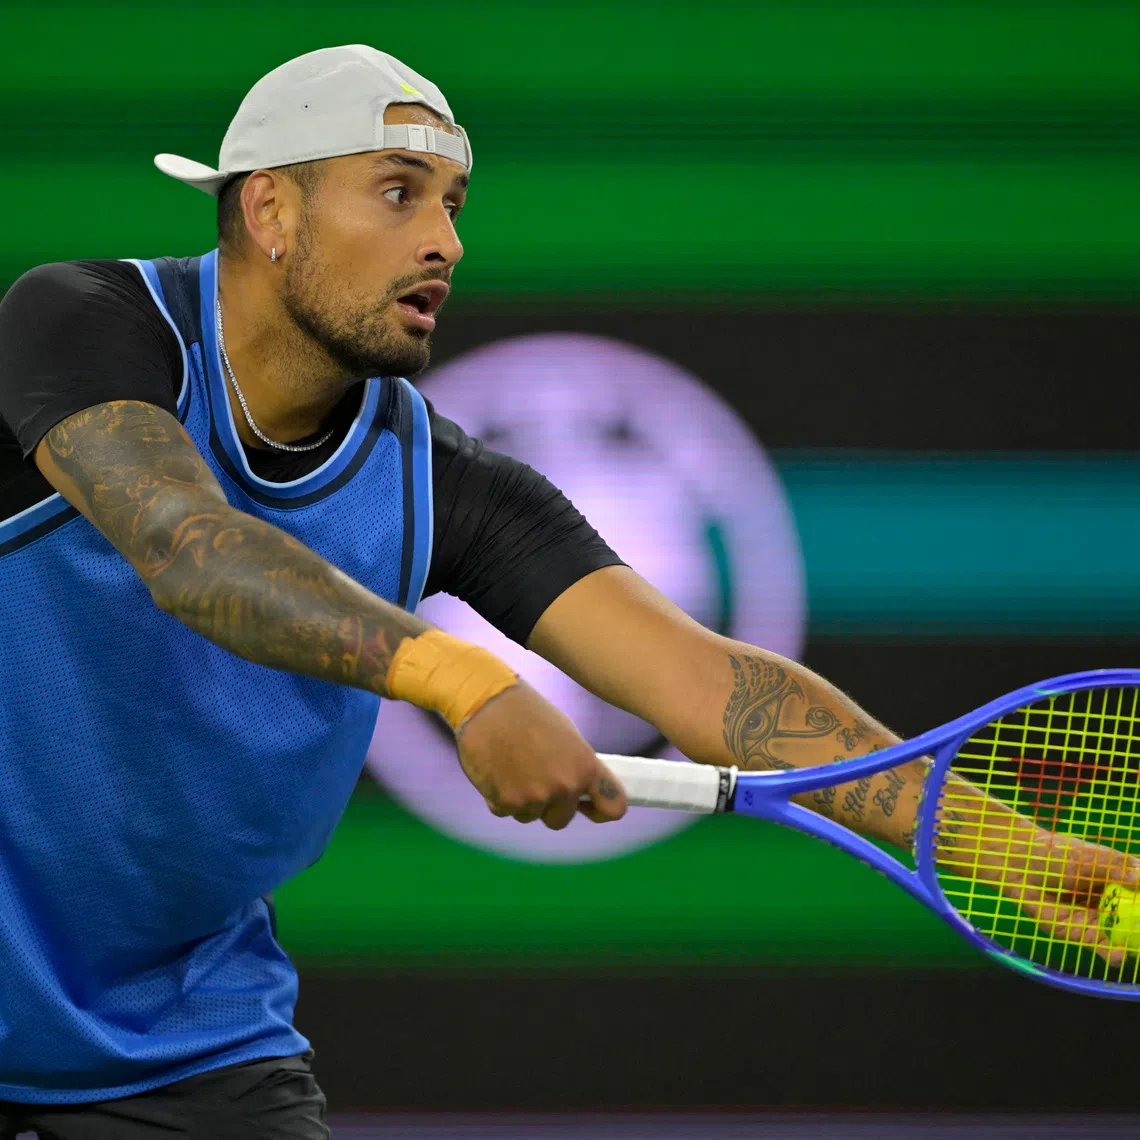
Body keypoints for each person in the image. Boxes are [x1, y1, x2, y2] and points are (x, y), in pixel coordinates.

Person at [0, 44, 1130, 1140]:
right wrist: (462, 681)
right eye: (398, 193)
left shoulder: (446, 485)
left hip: (187, 1038)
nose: (444, 240)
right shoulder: (84, 326)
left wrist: (1008, 859)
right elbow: (189, 547)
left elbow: (709, 683)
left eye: (453, 203)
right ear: (270, 212)